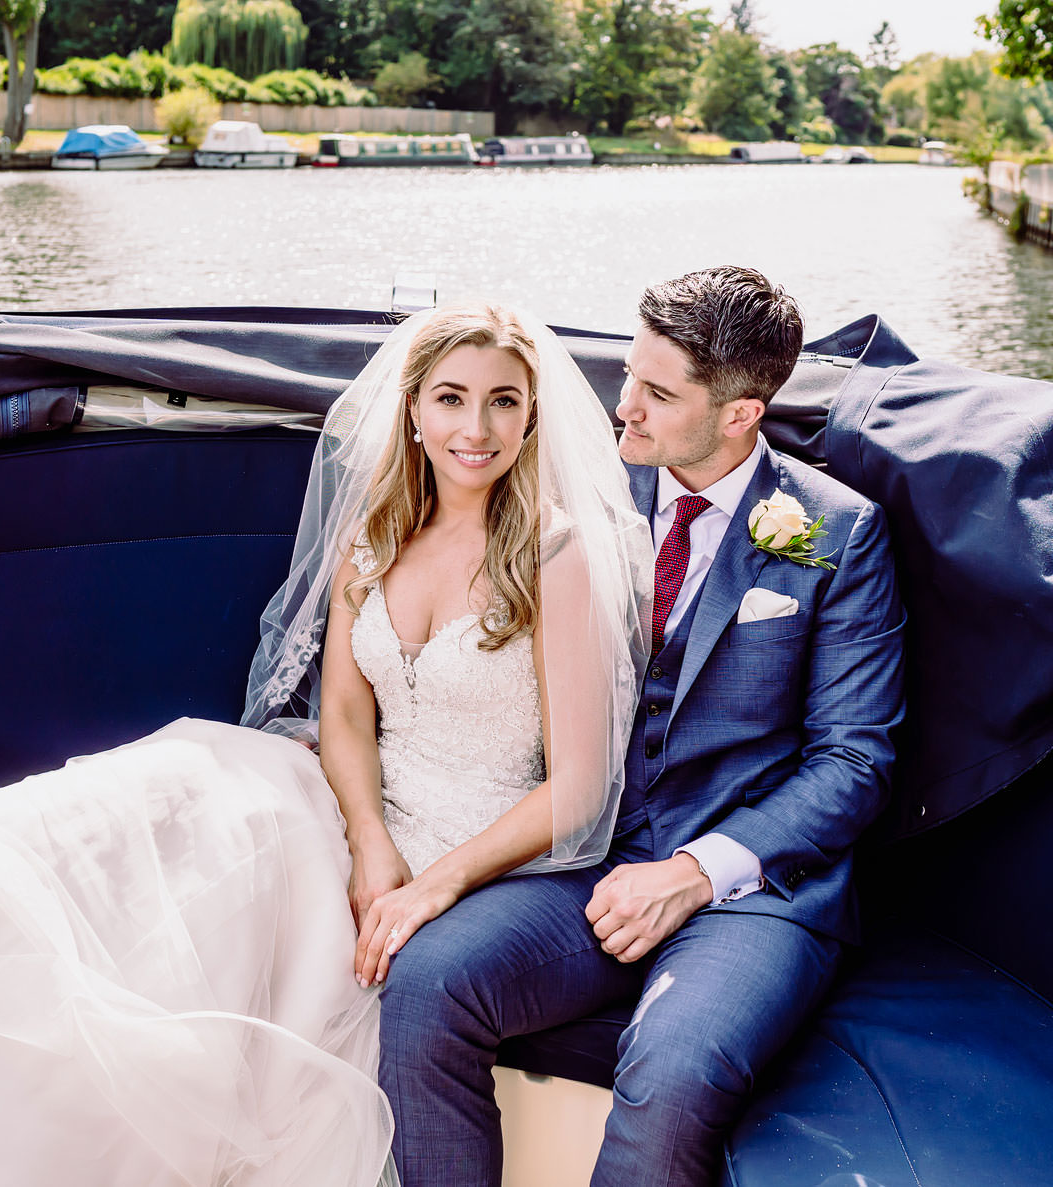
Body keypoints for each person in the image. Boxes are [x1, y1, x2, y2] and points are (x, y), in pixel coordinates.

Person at [0, 302, 652, 1187]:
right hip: (362, 806)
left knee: (235, 860)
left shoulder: (555, 554)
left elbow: (579, 785)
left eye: (501, 403)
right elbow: (344, 717)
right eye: (450, 398)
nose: (473, 429)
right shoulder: (378, 535)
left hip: (476, 847)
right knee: (170, 782)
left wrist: (422, 882)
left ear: (531, 417)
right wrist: (368, 836)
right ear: (414, 410)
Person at [379, 266, 906, 1186]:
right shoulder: (581, 488)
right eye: (630, 376)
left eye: (659, 395)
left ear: (742, 412)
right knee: (424, 984)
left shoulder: (834, 534)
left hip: (753, 895)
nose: (625, 409)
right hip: (587, 859)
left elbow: (854, 762)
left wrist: (697, 872)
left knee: (669, 1073)